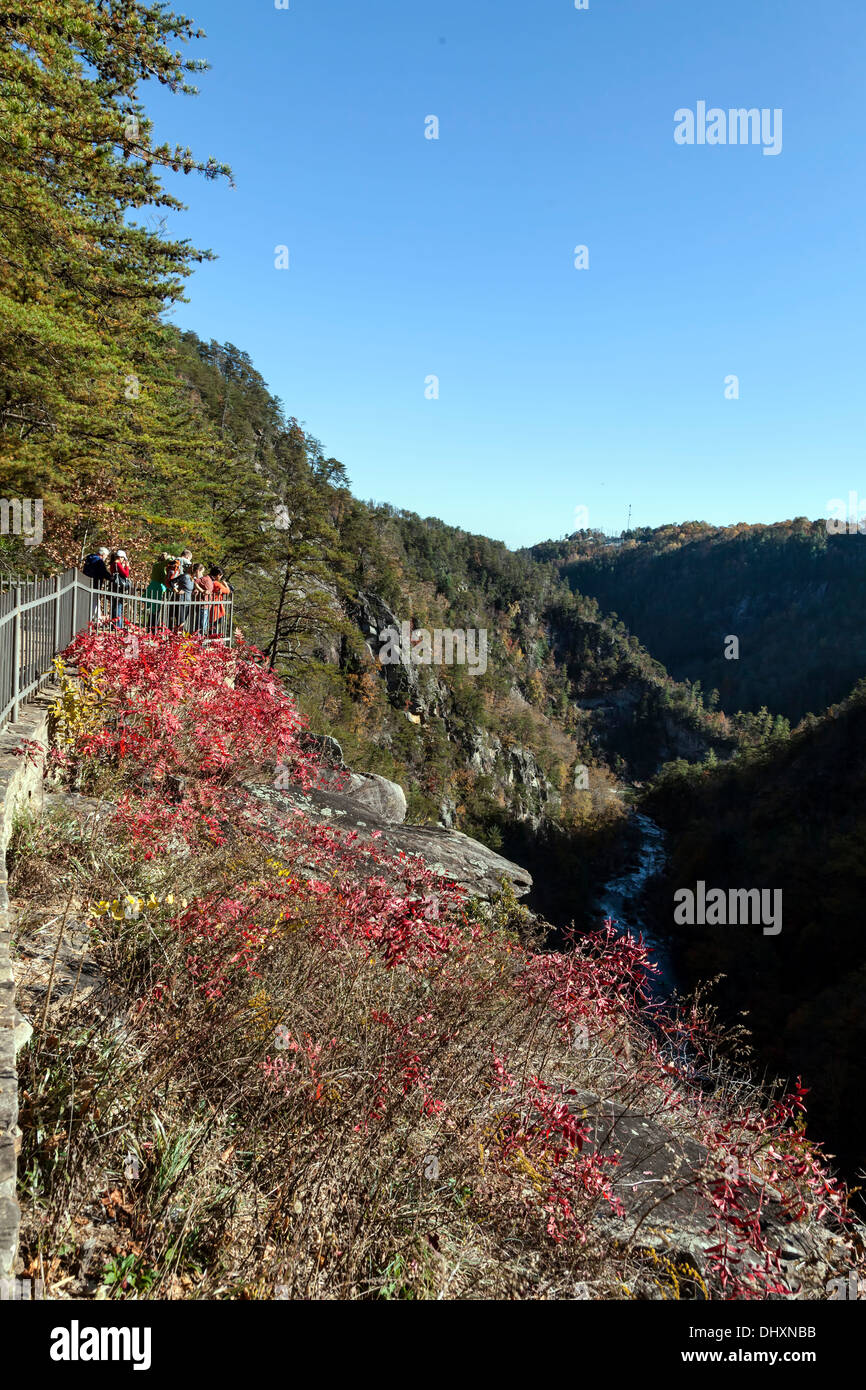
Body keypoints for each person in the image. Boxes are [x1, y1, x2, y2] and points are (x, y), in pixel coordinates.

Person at [82, 547, 111, 623]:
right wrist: (112, 578)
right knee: (94, 601)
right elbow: (103, 572)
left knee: (92, 601)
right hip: (95, 584)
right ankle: (96, 620)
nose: (106, 557)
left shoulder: (89, 559)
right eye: (106, 556)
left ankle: (96, 619)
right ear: (103, 554)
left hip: (86, 582)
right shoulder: (99, 561)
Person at [109, 549, 131, 627]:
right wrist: (127, 567)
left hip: (114, 587)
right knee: (118, 606)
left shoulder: (112, 564)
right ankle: (118, 626)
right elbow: (126, 574)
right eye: (123, 558)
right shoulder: (117, 564)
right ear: (121, 557)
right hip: (119, 588)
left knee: (114, 605)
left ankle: (114, 624)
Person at [208, 566, 232, 638]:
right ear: (218, 575)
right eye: (221, 576)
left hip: (209, 606)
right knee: (214, 625)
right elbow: (227, 591)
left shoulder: (208, 581)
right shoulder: (216, 583)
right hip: (216, 608)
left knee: (212, 625)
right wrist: (226, 585)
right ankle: (212, 640)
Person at [191, 563, 213, 636]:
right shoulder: (199, 579)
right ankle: (200, 641)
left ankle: (201, 641)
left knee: (202, 625)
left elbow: (207, 591)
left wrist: (198, 588)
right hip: (201, 605)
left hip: (204, 605)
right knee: (200, 625)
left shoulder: (204, 579)